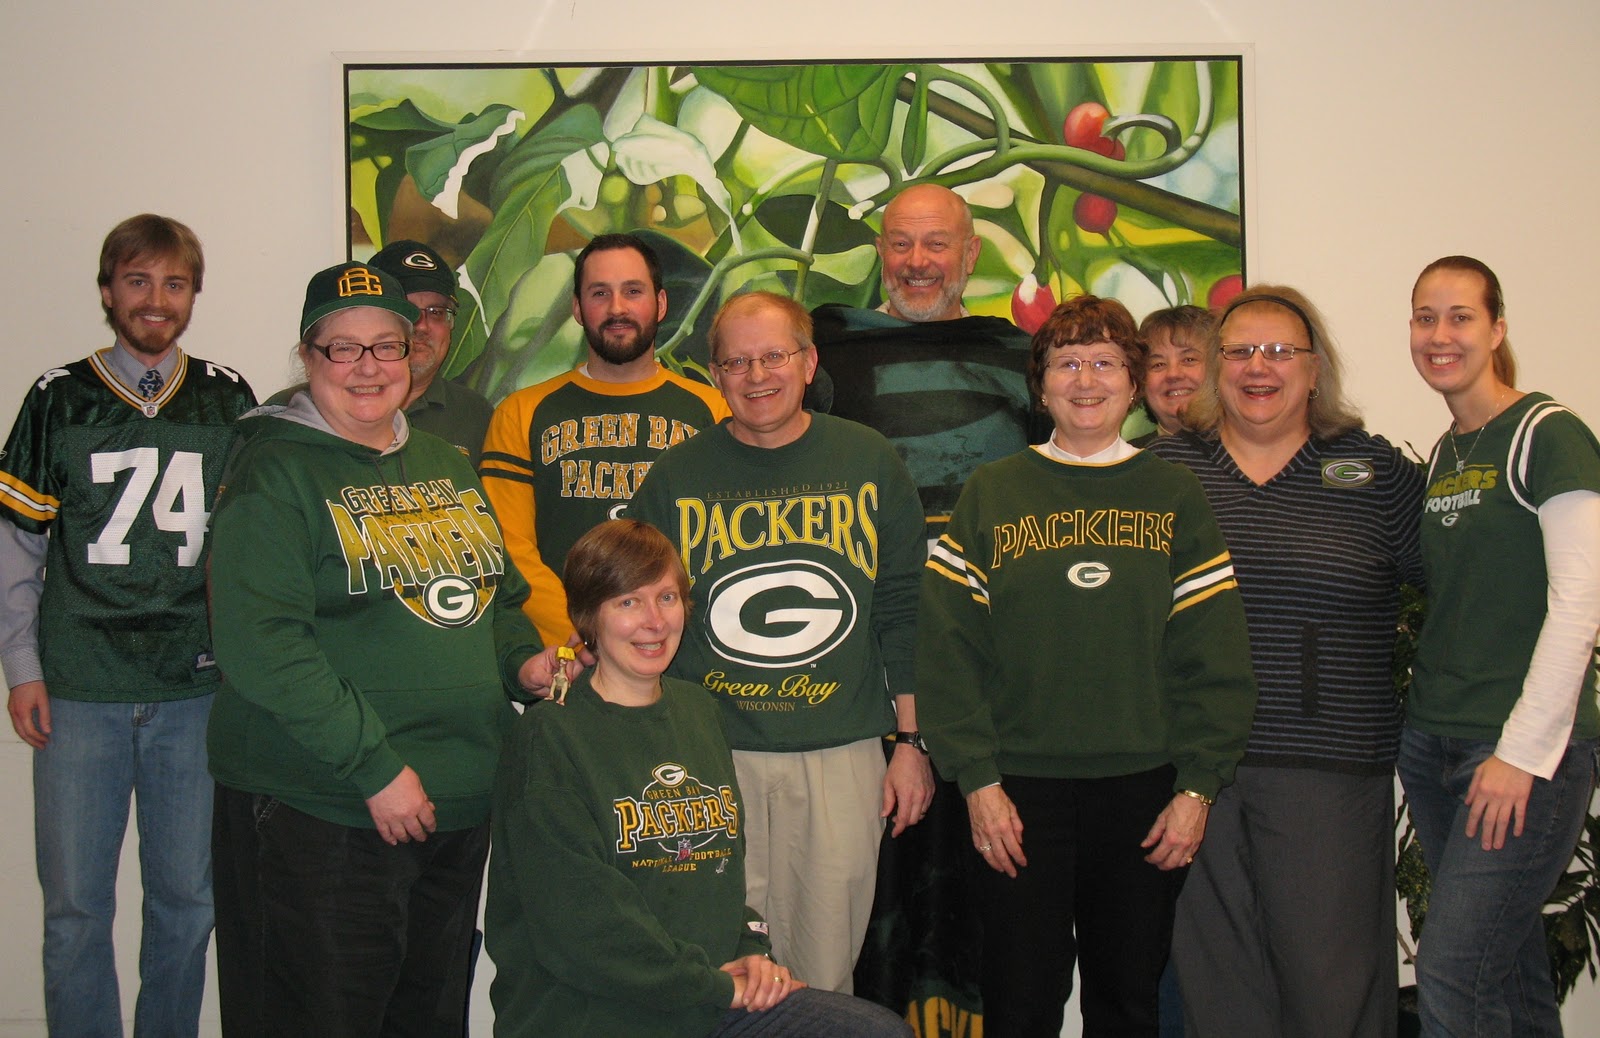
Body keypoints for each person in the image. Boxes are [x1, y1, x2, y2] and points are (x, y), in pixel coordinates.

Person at [205, 260, 548, 1037]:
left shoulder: (445, 465)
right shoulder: (274, 473)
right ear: (308, 357)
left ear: (412, 351)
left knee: (425, 1021)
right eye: (343, 348)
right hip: (326, 808)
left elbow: (493, 600)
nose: (368, 367)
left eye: (386, 346)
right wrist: (375, 769)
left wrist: (523, 664)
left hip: (453, 807)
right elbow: (262, 645)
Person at [915, 293, 1256, 1037]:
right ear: (1040, 386)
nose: (1086, 380)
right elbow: (947, 654)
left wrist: (1198, 788)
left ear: (1133, 384)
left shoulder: (1173, 495)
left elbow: (1215, 657)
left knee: (1127, 1003)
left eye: (1105, 362)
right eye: (1067, 363)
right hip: (1015, 793)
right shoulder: (992, 493)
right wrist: (977, 781)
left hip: (1144, 793)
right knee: (1020, 1005)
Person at [485, 518, 913, 1038]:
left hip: (703, 1001)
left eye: (666, 598)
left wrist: (751, 951)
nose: (654, 622)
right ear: (587, 617)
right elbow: (583, 931)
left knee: (876, 1032)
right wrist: (717, 987)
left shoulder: (697, 711)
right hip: (596, 1015)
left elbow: (721, 874)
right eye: (628, 602)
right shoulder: (548, 738)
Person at [629, 291, 933, 993]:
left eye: (774, 356)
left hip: (839, 751)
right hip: (709, 757)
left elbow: (902, 610)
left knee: (823, 976)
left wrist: (911, 743)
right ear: (715, 374)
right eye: (737, 362)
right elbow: (635, 613)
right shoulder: (676, 476)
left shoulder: (867, 458)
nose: (757, 375)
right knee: (719, 973)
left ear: (809, 362)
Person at [0, 214, 256, 1036]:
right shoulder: (57, 398)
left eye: (174, 283)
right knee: (75, 908)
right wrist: (22, 667)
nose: (156, 299)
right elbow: (16, 546)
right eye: (138, 280)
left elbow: (251, 546)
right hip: (80, 687)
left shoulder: (227, 398)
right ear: (107, 290)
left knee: (188, 902)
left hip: (193, 687)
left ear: (194, 295)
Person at [1148, 285, 1424, 1037]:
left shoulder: (1372, 474)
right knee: (1218, 995)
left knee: (1332, 991)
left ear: (1314, 369)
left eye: (1279, 352)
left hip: (1329, 773)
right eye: (1239, 351)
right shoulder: (1161, 472)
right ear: (1216, 368)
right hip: (1193, 775)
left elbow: (1459, 591)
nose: (1258, 368)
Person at [1396, 255, 1600, 1036]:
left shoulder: (1547, 434)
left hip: (1514, 753)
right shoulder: (1450, 450)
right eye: (1425, 318)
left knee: (1451, 970)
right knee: (1506, 970)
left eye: (1460, 317)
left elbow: (1580, 602)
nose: (1439, 335)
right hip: (1434, 742)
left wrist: (1521, 754)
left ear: (1497, 329)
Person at [482, 232, 729, 648]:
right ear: (578, 308)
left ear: (661, 304)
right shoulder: (521, 413)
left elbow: (725, 544)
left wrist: (668, 630)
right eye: (600, 293)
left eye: (633, 291)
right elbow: (509, 547)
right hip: (568, 653)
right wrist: (583, 635)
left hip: (682, 648)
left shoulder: (714, 411)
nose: (617, 308)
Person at [806, 183, 1047, 541]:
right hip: (862, 568)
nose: (917, 262)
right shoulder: (824, 349)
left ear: (970, 254)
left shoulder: (1023, 357)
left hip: (991, 568)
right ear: (881, 251)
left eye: (936, 244)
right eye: (901, 245)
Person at [265, 239, 493, 465]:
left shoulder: (476, 415)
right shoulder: (282, 415)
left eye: (437, 312)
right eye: (408, 310)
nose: (422, 325)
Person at [1132, 304, 1213, 444]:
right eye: (1158, 364)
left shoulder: (1249, 449)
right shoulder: (1130, 456)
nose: (1173, 374)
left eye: (1189, 360)